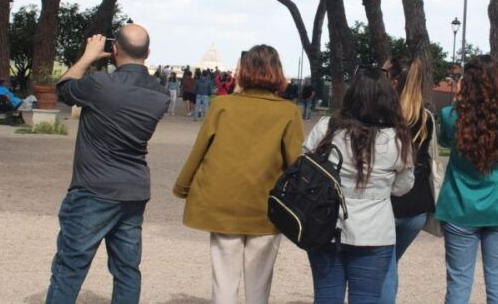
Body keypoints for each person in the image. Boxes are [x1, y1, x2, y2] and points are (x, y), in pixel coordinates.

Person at [45, 25, 170, 304]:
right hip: (134, 189)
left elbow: (64, 89)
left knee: (70, 268)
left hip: (93, 188)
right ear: (148, 53)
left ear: (114, 50)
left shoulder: (100, 84)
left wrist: (88, 56)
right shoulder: (159, 95)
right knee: (127, 270)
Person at [173, 45, 304, 304]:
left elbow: (200, 150)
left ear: (243, 71)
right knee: (259, 281)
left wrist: (183, 185)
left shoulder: (222, 105)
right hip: (266, 205)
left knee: (224, 279)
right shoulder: (288, 111)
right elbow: (295, 163)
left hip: (223, 202)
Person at [304, 65, 414, 304]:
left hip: (326, 224)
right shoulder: (397, 139)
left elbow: (305, 165)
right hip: (374, 231)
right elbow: (402, 187)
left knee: (326, 296)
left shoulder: (327, 128)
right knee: (367, 298)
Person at [437, 55, 498, 304]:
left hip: (460, 206)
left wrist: (458, 102)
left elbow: (444, 141)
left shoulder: (450, 115)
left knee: (459, 282)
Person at [378, 56, 436, 304]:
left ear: (393, 81)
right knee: (388, 265)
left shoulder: (383, 116)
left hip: (388, 205)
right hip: (417, 208)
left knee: (383, 268)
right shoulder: (426, 118)